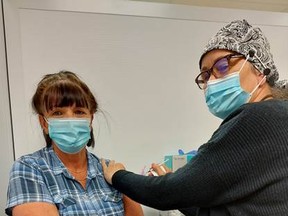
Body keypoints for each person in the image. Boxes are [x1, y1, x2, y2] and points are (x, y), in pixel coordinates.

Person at [101, 19, 288, 216]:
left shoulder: (257, 118)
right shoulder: (279, 117)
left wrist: (117, 175)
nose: (213, 81)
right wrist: (180, 192)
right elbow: (233, 208)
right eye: (205, 76)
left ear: (259, 69)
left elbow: (164, 194)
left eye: (223, 66)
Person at [5, 71, 144, 216]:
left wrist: (123, 179)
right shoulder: (29, 169)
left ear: (90, 120)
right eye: (58, 113)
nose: (70, 120)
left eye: (79, 112)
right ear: (44, 123)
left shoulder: (111, 171)